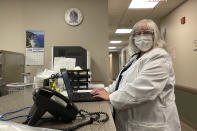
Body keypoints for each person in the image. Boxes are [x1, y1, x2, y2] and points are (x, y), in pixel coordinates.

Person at [91, 19, 181, 131]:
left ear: (155, 35)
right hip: (132, 121)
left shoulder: (160, 56)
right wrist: (106, 90)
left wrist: (111, 97)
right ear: (133, 38)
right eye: (138, 33)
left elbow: (144, 88)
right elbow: (120, 82)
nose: (142, 36)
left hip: (153, 122)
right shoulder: (134, 58)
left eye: (147, 32)